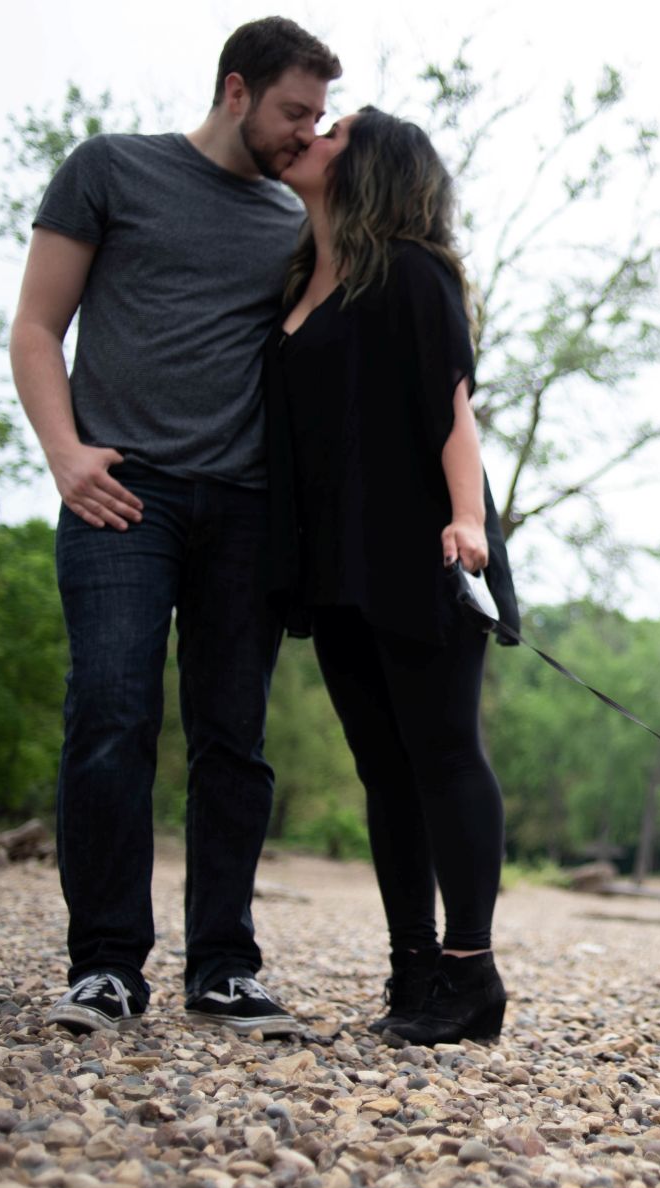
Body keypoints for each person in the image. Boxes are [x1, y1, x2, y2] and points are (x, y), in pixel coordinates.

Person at [10, 17, 341, 1036]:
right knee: (110, 713)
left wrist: (323, 204)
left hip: (245, 509)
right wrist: (65, 454)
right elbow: (34, 326)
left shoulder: (296, 212)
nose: (305, 133)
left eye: (319, 118)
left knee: (232, 742)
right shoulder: (109, 170)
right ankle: (106, 965)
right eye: (294, 112)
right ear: (236, 89)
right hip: (123, 493)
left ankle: (224, 968)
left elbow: (324, 328)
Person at [263, 107, 521, 1046]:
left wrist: (465, 519)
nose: (314, 136)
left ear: (370, 165)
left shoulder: (411, 272)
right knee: (383, 770)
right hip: (334, 561)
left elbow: (454, 408)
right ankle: (413, 968)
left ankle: (471, 972)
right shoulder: (299, 277)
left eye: (334, 130)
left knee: (445, 754)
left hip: (426, 547)